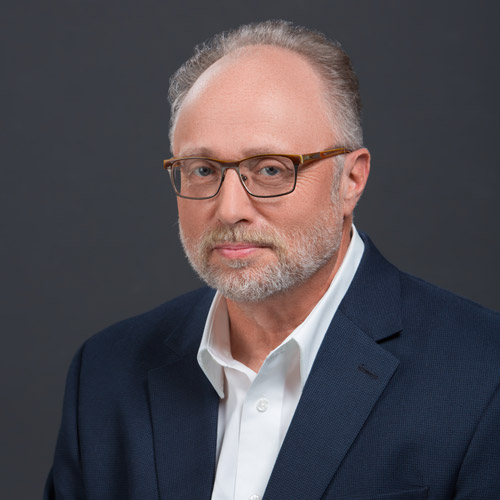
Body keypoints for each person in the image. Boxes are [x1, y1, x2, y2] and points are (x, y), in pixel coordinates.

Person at [44, 20, 500, 500]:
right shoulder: (105, 373)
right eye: (202, 169)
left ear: (351, 180)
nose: (230, 209)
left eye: (269, 169)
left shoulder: (483, 376)